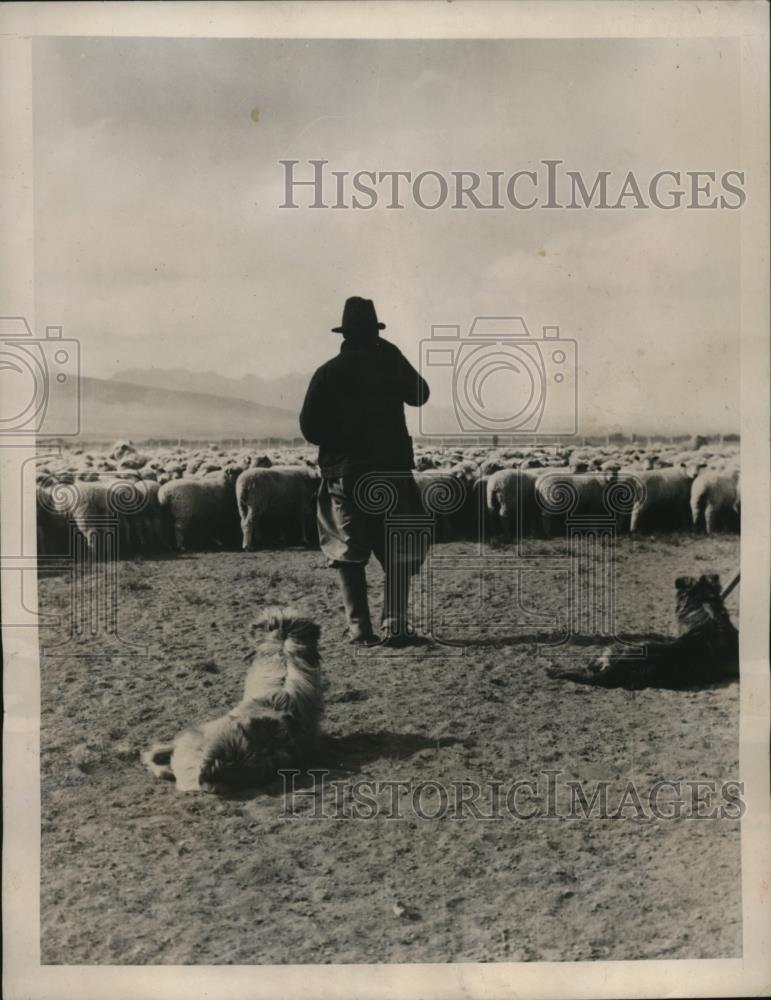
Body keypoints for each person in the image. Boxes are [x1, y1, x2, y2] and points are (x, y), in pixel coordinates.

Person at [300, 296, 430, 646]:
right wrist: (392, 354)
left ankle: (360, 630)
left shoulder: (327, 372)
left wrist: (343, 443)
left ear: (344, 333)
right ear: (375, 332)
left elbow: (309, 428)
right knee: (399, 545)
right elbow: (421, 394)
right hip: (392, 472)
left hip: (346, 474)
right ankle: (397, 625)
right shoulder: (389, 362)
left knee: (348, 549)